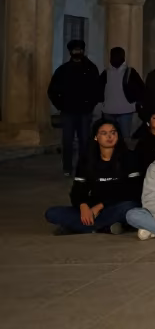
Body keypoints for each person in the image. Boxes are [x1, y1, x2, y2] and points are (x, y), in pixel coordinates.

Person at [44, 119, 140, 234]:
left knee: (131, 208)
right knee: (52, 213)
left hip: (117, 205)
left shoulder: (129, 157)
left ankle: (82, 227)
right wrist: (83, 206)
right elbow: (78, 190)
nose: (109, 136)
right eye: (104, 133)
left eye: (113, 133)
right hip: (93, 208)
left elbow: (133, 191)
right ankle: (105, 227)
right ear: (96, 137)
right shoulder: (86, 160)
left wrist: (101, 206)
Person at [48, 39, 100, 176]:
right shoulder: (63, 70)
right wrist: (60, 105)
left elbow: (97, 89)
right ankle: (67, 168)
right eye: (75, 50)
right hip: (68, 111)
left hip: (84, 112)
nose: (77, 52)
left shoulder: (91, 68)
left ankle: (84, 168)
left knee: (84, 141)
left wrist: (90, 104)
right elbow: (52, 90)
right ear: (70, 52)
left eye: (79, 50)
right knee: (68, 141)